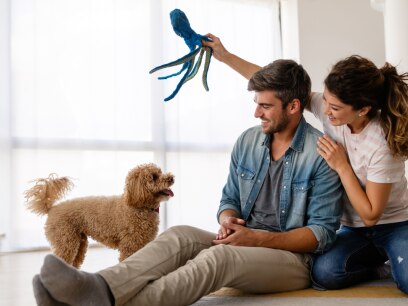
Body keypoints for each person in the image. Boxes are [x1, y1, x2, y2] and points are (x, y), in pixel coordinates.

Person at [32, 59, 343, 306]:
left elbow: (322, 234)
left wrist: (256, 239)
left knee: (218, 257)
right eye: (256, 102)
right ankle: (99, 287)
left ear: (293, 107)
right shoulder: (248, 141)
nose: (255, 112)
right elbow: (229, 198)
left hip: (292, 261)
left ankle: (102, 301)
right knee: (180, 235)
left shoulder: (320, 154)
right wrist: (228, 219)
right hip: (245, 239)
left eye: (265, 106)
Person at [202, 34, 408, 294]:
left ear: (363, 109)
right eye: (327, 102)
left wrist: (341, 166)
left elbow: (370, 215)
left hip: (393, 224)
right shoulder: (330, 109)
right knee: (323, 275)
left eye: (335, 107)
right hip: (352, 229)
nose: (326, 111)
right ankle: (377, 265)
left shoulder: (382, 141)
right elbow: (281, 89)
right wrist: (225, 56)